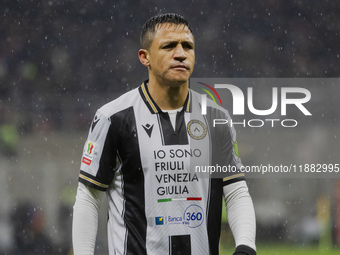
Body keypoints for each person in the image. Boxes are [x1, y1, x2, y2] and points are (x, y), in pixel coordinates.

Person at [72, 13, 256, 255]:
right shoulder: (113, 118)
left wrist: (246, 246)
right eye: (169, 46)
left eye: (187, 46)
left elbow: (235, 191)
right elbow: (89, 196)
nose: (180, 53)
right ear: (144, 57)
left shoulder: (216, 118)